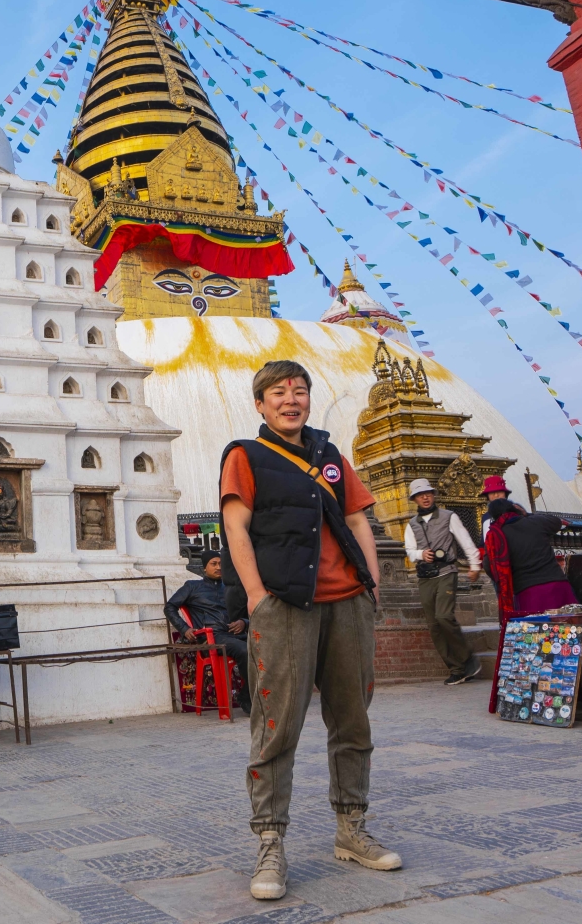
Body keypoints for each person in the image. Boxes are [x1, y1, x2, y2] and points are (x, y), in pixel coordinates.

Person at [221, 360, 401, 902]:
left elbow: (355, 520)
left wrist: (371, 584)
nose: (291, 400)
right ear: (260, 403)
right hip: (285, 604)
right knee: (277, 726)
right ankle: (270, 841)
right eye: (279, 392)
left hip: (346, 602)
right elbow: (235, 526)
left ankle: (351, 828)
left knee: (353, 720)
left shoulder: (329, 455)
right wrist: (255, 596)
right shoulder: (245, 455)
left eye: (299, 391)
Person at [480, 496, 581, 714]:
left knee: (540, 649)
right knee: (573, 640)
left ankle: (546, 700)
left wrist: (508, 577)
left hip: (529, 594)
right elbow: (555, 521)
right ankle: (580, 692)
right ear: (515, 508)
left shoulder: (497, 535)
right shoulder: (535, 523)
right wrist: (526, 514)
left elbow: (489, 565)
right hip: (559, 587)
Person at [402, 478, 483, 686]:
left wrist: (475, 565)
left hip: (446, 571)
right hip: (425, 577)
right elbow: (409, 550)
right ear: (415, 499)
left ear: (433, 495)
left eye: (428, 493)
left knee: (444, 616)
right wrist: (421, 554)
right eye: (420, 495)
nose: (425, 497)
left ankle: (467, 659)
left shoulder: (449, 517)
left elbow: (465, 540)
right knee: (434, 625)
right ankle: (456, 669)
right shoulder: (412, 524)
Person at [164, 553, 249, 714]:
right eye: (214, 563)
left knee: (268, 647)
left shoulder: (232, 588)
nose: (218, 567)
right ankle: (248, 698)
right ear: (204, 567)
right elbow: (169, 607)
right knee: (244, 650)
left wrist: (244, 622)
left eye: (221, 564)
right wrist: (184, 629)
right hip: (212, 637)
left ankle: (248, 695)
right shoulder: (192, 586)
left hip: (236, 634)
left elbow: (249, 611)